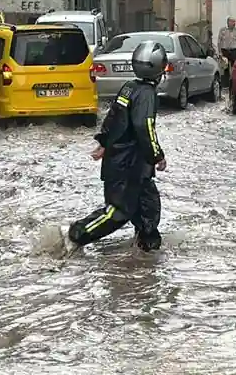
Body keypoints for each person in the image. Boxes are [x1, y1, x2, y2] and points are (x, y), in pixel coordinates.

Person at [66, 40, 167, 253]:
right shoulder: (146, 94)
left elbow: (113, 118)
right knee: (118, 212)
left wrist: (104, 142)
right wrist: (157, 155)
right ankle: (74, 235)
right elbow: (144, 126)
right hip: (128, 165)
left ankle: (147, 247)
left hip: (132, 164)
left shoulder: (129, 88)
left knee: (148, 205)